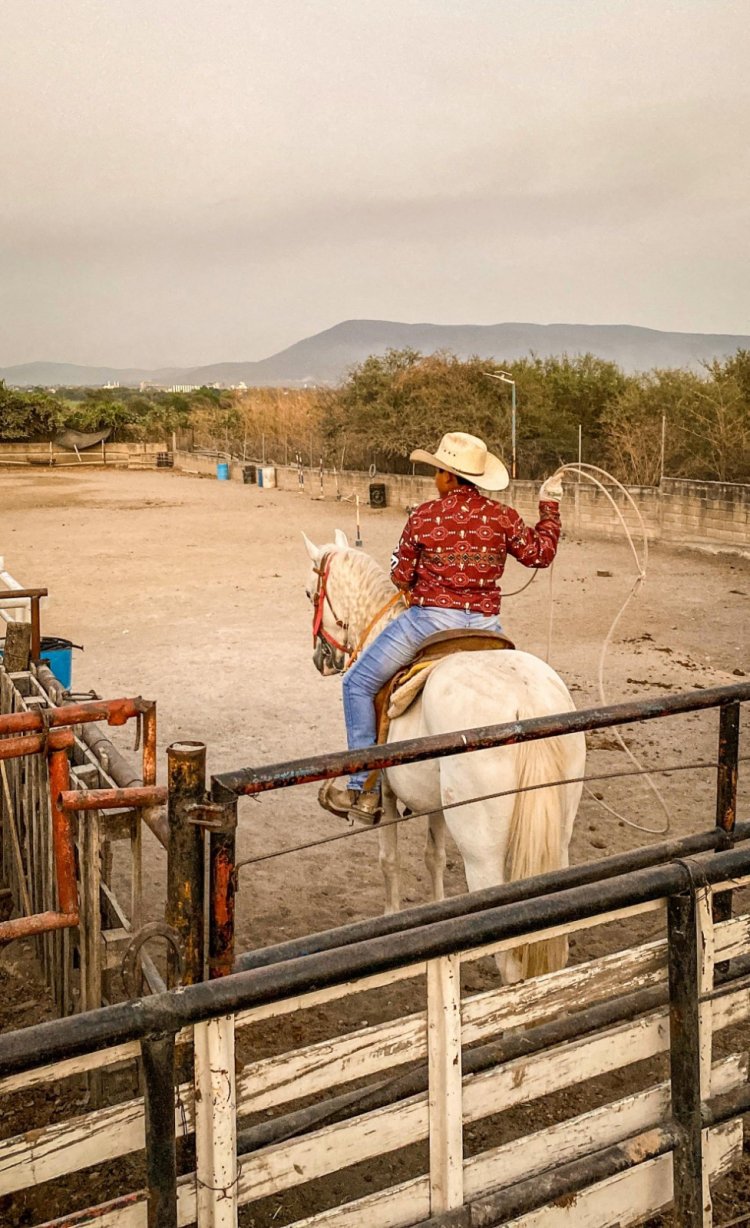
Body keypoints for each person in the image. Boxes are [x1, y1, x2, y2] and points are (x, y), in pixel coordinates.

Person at [321, 431, 564, 825]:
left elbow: (400, 576)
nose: (435, 478)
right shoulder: (504, 516)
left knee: (357, 684)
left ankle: (362, 787)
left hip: (431, 622)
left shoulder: (424, 516)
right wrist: (549, 507)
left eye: (438, 472)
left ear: (450, 477)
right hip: (487, 626)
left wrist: (419, 580)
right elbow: (541, 553)